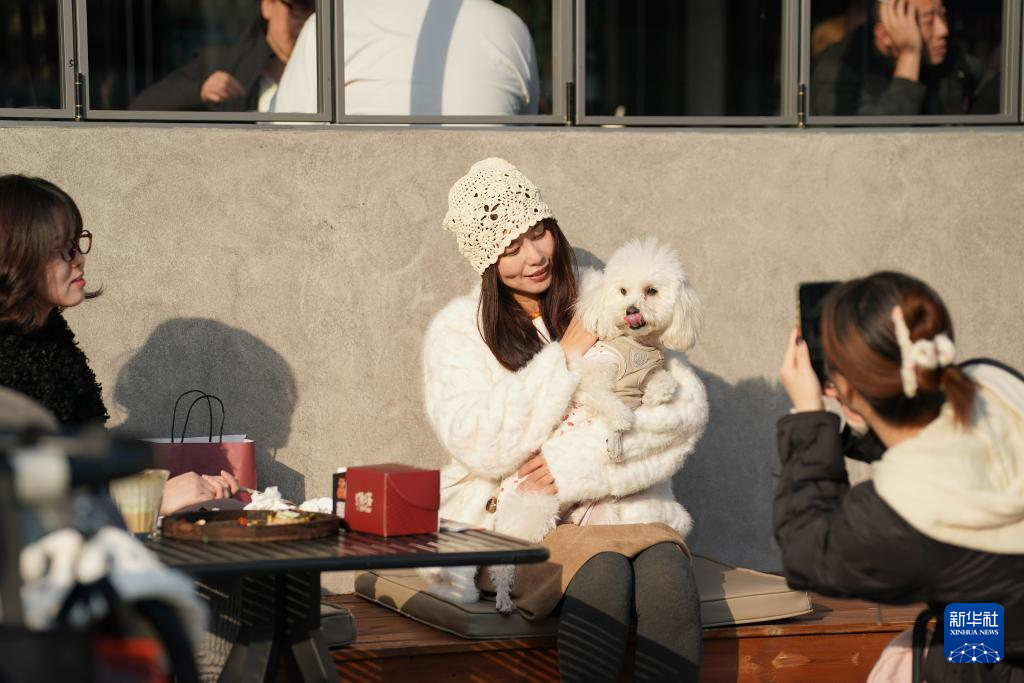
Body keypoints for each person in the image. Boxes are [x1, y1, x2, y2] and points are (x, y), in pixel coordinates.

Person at [421, 158, 705, 682]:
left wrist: (573, 466)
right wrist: (564, 358)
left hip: (622, 509)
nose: (534, 256)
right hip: (519, 521)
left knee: (669, 576)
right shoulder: (458, 331)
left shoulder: (608, 292)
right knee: (601, 572)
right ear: (486, 261)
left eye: (538, 233)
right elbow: (479, 443)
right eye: (510, 247)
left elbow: (683, 412)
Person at [775, 271, 1024, 682]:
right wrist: (859, 409)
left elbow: (806, 551)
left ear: (846, 388)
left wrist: (808, 415)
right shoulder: (996, 384)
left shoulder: (902, 515)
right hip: (1000, 619)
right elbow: (935, 438)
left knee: (909, 663)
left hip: (999, 662)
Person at [0, 174, 239, 513]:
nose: (79, 259)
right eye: (62, 250)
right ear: (16, 257)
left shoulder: (49, 338)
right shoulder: (11, 360)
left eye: (77, 243)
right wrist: (152, 499)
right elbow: (22, 498)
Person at [272, 0, 539, 115]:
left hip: (363, 204)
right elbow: (530, 134)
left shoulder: (330, 25)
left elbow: (284, 142)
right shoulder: (509, 27)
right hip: (484, 210)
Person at [810, 0, 995, 116]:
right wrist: (910, 53)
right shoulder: (837, 72)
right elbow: (874, 147)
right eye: (928, 21)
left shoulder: (946, 58)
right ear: (885, 35)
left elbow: (993, 89)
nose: (943, 30)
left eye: (942, 14)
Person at [130, 0, 314, 112]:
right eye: (297, 12)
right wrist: (200, 91)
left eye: (313, 14)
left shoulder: (323, 69)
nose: (306, 24)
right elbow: (142, 107)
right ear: (268, 5)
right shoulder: (222, 62)